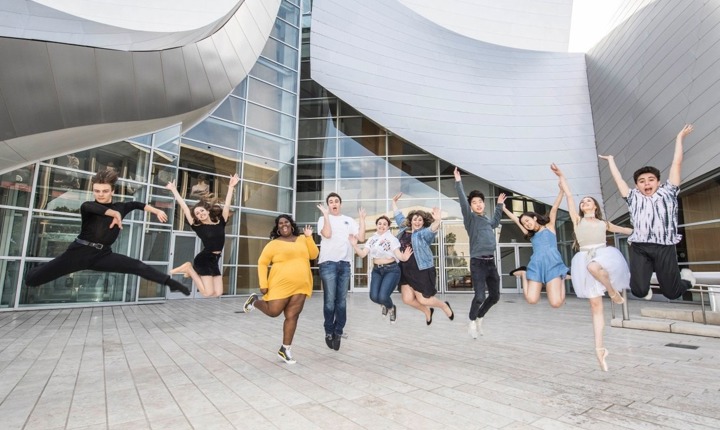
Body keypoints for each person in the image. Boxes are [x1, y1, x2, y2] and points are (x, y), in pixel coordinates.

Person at [25, 169, 190, 296]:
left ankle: (173, 284)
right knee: (32, 280)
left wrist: (155, 211)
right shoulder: (88, 207)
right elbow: (95, 208)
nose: (100, 195)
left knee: (137, 266)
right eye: (97, 191)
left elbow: (137, 205)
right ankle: (41, 267)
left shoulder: (121, 207)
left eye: (104, 191)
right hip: (79, 253)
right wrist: (114, 214)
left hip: (103, 255)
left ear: (112, 191)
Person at [599, 124, 696, 301]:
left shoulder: (669, 192)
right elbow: (618, 179)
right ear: (637, 185)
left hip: (664, 247)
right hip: (640, 247)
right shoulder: (632, 196)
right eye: (642, 181)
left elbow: (677, 163)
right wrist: (611, 160)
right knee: (638, 291)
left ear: (658, 182)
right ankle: (643, 289)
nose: (646, 184)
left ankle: (688, 280)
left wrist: (679, 139)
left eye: (651, 180)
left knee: (672, 293)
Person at [553, 163, 632, 371]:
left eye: (588, 201)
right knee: (596, 307)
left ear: (595, 206)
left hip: (603, 256)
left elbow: (626, 230)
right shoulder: (577, 220)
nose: (584, 203)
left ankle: (614, 292)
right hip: (584, 257)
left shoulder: (604, 223)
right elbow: (569, 195)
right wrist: (562, 176)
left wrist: (643, 228)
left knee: (594, 267)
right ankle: (600, 350)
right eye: (583, 202)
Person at [242, 215, 318, 364]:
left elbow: (314, 254)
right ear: (278, 228)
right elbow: (262, 263)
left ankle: (285, 349)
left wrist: (309, 237)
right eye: (280, 223)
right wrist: (263, 284)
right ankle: (255, 301)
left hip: (301, 285)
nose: (284, 225)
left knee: (292, 316)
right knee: (273, 311)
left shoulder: (302, 239)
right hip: (280, 284)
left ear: (291, 225)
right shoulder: (273, 244)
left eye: (286, 222)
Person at [166, 174, 240, 297]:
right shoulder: (198, 227)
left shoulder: (220, 222)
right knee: (208, 293)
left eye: (201, 210)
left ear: (207, 210)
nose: (200, 214)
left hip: (215, 260)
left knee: (219, 292)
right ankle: (189, 268)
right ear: (196, 217)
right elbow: (184, 207)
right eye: (197, 213)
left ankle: (189, 269)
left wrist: (231, 187)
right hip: (204, 259)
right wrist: (174, 189)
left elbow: (226, 206)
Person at [454, 167, 506, 339]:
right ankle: (471, 322)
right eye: (474, 202)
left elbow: (496, 220)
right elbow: (462, 201)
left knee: (495, 296)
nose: (478, 204)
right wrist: (458, 182)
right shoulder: (471, 220)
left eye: (480, 202)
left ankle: (480, 317)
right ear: (471, 206)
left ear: (484, 204)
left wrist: (499, 204)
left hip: (491, 263)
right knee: (479, 296)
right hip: (478, 262)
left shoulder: (487, 220)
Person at [392, 193, 454, 324]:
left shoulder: (423, 234)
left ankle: (444, 305)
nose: (417, 222)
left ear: (423, 222)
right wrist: (394, 202)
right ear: (411, 220)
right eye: (415, 219)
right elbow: (398, 216)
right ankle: (427, 311)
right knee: (407, 299)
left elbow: (432, 230)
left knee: (423, 299)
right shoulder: (404, 229)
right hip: (405, 269)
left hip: (420, 270)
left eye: (420, 220)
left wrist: (437, 220)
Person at [503, 183, 568, 308]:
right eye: (524, 223)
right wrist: (504, 209)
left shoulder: (549, 227)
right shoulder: (531, 234)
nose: (526, 224)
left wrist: (561, 192)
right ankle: (523, 274)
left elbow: (554, 208)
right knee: (531, 300)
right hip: (536, 266)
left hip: (553, 264)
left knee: (556, 303)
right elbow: (516, 220)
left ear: (534, 218)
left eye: (527, 221)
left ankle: (562, 276)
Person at [317, 193, 365, 351]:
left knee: (341, 301)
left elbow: (362, 238)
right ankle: (328, 331)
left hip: (344, 264)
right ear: (328, 205)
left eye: (336, 201)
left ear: (340, 204)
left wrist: (362, 220)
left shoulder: (349, 220)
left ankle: (338, 332)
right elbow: (328, 234)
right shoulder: (322, 219)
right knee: (330, 301)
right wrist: (325, 215)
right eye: (330, 202)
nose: (333, 203)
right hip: (328, 263)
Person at [349, 215, 413, 323]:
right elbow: (363, 254)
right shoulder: (372, 239)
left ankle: (391, 308)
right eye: (379, 223)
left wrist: (404, 257)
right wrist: (355, 246)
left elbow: (398, 254)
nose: (382, 226)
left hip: (391, 270)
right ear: (376, 225)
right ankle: (384, 305)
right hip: (377, 270)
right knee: (374, 297)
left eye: (384, 224)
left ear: (388, 227)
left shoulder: (392, 239)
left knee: (383, 296)